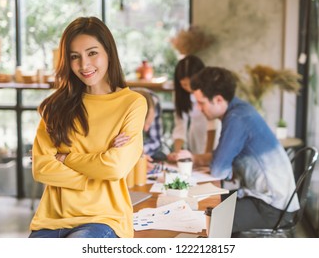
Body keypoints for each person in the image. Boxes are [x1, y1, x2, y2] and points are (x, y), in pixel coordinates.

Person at [29, 16, 147, 238]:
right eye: (75, 57)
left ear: (109, 53)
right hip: (51, 219)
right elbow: (41, 168)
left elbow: (115, 168)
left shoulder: (132, 103)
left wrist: (66, 159)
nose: (84, 65)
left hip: (103, 219)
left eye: (92, 53)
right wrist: (96, 169)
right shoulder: (54, 106)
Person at [174, 66, 299, 234]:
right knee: (202, 206)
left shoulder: (236, 118)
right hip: (271, 198)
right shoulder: (239, 110)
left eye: (201, 103)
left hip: (273, 206)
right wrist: (196, 158)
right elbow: (221, 160)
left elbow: (218, 169)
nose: (198, 108)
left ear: (218, 100)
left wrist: (210, 162)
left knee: (206, 221)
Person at [167, 55, 220, 162]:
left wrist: (206, 155)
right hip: (195, 135)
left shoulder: (210, 91)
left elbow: (212, 124)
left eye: (191, 84)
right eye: (184, 85)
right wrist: (177, 152)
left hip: (213, 136)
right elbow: (180, 125)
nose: (189, 88)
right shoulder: (179, 95)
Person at [131, 88, 165, 162]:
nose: (146, 129)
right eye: (144, 123)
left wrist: (141, 151)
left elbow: (156, 141)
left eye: (149, 123)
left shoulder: (154, 101)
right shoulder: (124, 108)